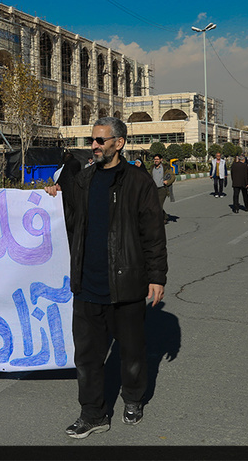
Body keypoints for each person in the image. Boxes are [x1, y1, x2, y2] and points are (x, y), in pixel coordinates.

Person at [44, 117, 167, 439]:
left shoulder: (139, 182)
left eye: (100, 141)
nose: (94, 146)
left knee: (132, 350)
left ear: (119, 142)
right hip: (86, 283)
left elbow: (153, 232)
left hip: (126, 282)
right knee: (86, 356)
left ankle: (133, 399)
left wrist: (156, 275)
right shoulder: (83, 180)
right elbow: (69, 219)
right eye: (92, 140)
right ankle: (93, 414)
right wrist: (54, 195)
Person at [151, 154, 175, 224]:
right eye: (155, 159)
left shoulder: (165, 168)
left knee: (158, 205)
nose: (156, 160)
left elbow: (173, 177)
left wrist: (168, 181)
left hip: (162, 189)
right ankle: (165, 216)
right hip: (154, 189)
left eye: (157, 159)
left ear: (161, 160)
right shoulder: (152, 168)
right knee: (153, 205)